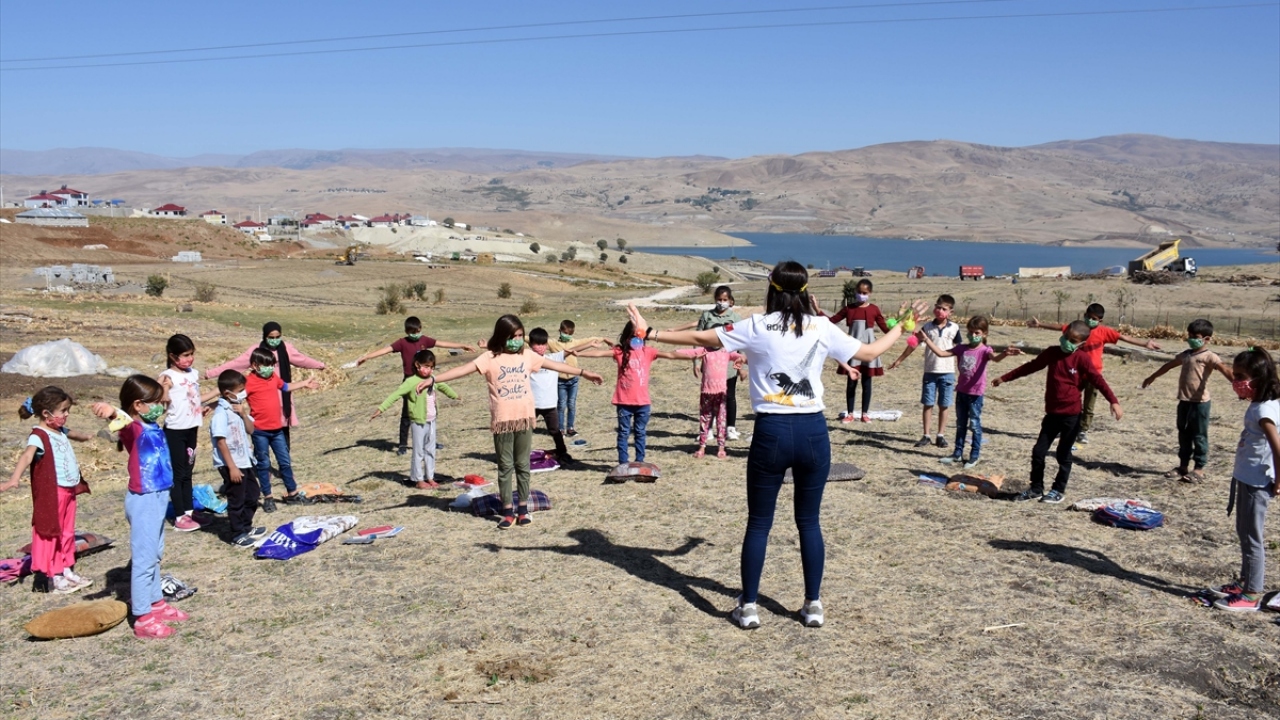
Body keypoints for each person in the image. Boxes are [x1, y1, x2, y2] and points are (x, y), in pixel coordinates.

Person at [629, 261, 927, 629]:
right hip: (814, 434)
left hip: (771, 431)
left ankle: (749, 607)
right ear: (804, 291)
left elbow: (703, 339)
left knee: (758, 524)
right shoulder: (821, 326)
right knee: (809, 522)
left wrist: (651, 331)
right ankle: (813, 605)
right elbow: (868, 354)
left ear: (771, 288)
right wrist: (903, 327)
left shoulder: (756, 326)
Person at [421, 315, 603, 529]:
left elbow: (553, 365)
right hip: (503, 422)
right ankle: (508, 511)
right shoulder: (489, 357)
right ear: (502, 336)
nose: (517, 340)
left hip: (524, 420)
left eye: (519, 335)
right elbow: (462, 370)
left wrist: (584, 373)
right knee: (505, 467)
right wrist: (433, 379)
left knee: (523, 466)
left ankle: (523, 509)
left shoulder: (527, 355)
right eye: (512, 336)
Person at [90, 376, 189, 639]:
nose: (161, 405)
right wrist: (111, 411)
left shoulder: (152, 424)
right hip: (144, 499)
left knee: (154, 554)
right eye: (155, 402)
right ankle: (143, 617)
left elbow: (165, 399)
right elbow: (120, 420)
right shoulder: (133, 428)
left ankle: (156, 602)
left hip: (158, 496)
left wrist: (164, 387)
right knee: (144, 560)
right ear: (138, 405)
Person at [992, 320, 1123, 504]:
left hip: (1071, 416)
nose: (1067, 341)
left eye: (1072, 340)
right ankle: (1036, 488)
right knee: (1038, 451)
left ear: (1081, 343)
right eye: (1066, 337)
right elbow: (1030, 366)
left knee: (1063, 454)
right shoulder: (1052, 353)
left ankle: (1058, 490)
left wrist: (1113, 401)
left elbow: (1098, 380)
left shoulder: (1082, 359)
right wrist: (1004, 378)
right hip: (1052, 414)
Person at [1206, 348, 1279, 611]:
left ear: (1258, 379)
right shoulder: (1260, 405)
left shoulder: (1264, 412)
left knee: (1251, 536)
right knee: (1244, 532)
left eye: (1240, 376)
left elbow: (1277, 446)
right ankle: (1245, 581)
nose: (1235, 381)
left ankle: (1251, 593)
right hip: (1246, 478)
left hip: (1256, 482)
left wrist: (1279, 479)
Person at [1, 388, 95, 594]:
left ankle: (66, 568)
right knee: (51, 532)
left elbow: (75, 434)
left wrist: (89, 436)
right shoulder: (38, 435)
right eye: (63, 411)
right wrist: (13, 480)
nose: (66, 414)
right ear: (46, 414)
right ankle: (54, 575)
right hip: (53, 494)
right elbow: (26, 457)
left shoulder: (60, 430)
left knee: (67, 532)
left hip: (69, 491)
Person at [1028, 303, 1160, 444]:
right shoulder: (1077, 329)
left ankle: (1083, 430)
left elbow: (1124, 338)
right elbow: (1060, 327)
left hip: (1092, 374)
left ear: (1100, 320)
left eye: (1093, 318)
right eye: (1088, 316)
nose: (1089, 320)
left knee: (1089, 405)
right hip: (1075, 373)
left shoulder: (1104, 332)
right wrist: (1040, 324)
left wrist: (1144, 343)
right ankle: (1066, 426)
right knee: (1069, 400)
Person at [354, 316, 474, 455]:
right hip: (410, 381)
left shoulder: (425, 340)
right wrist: (367, 357)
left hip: (426, 379)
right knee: (407, 413)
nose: (415, 334)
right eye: (412, 332)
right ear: (406, 331)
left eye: (417, 331)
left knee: (429, 411)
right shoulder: (402, 343)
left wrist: (461, 346)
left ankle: (430, 441)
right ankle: (403, 445)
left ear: (420, 329)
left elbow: (441, 343)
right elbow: (385, 350)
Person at [914, 315, 1021, 469]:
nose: (973, 335)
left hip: (975, 394)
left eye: (977, 332)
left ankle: (974, 455)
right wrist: (926, 339)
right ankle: (957, 454)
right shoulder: (961, 348)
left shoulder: (985, 350)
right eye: (971, 332)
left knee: (975, 425)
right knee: (961, 424)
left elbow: (995, 358)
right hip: (962, 392)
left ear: (984, 334)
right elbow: (941, 353)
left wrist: (1005, 353)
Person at [574, 321, 686, 466]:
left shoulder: (649, 352)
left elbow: (671, 355)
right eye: (632, 336)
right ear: (627, 336)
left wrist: (695, 355)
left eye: (638, 336)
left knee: (640, 433)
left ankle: (640, 461)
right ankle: (623, 463)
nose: (636, 339)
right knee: (623, 433)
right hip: (624, 402)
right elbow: (599, 353)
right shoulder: (620, 352)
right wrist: (579, 354)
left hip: (643, 403)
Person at [1141, 319, 1235, 483]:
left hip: (1200, 403)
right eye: (1190, 335)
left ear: (1207, 339)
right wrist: (1152, 377)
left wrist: (1238, 384)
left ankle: (1199, 469)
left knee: (1199, 435)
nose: (1191, 339)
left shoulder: (1210, 357)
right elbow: (1169, 365)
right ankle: (1183, 466)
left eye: (1195, 336)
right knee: (1183, 434)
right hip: (1184, 401)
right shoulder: (1186, 355)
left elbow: (1225, 370)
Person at [206, 321, 326, 448]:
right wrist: (211, 373)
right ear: (264, 336)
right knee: (261, 435)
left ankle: (284, 460)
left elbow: (302, 360)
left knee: (283, 431)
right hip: (261, 397)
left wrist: (320, 365)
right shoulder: (256, 351)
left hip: (281, 396)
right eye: (271, 337)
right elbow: (236, 364)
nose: (275, 340)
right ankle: (263, 463)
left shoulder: (286, 348)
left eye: (277, 337)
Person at [245, 348, 320, 513]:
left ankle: (292, 494)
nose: (270, 369)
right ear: (255, 365)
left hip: (277, 430)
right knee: (264, 465)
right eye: (266, 365)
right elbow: (234, 397)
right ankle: (268, 497)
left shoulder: (273, 377)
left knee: (284, 462)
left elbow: (285, 387)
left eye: (272, 365)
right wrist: (214, 406)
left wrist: (304, 384)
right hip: (259, 432)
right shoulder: (248, 382)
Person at [668, 285, 746, 439]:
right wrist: (696, 363)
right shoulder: (707, 316)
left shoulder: (736, 319)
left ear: (730, 301)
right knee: (709, 397)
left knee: (729, 396)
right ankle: (708, 429)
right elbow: (697, 339)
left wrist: (740, 366)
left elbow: (741, 343)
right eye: (719, 299)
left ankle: (730, 428)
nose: (721, 302)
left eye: (725, 300)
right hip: (710, 364)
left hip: (729, 365)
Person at [372, 349, 458, 489]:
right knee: (418, 451)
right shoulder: (411, 381)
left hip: (432, 420)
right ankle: (418, 479)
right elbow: (395, 395)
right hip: (418, 422)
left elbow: (443, 386)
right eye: (425, 366)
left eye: (431, 367)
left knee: (430, 450)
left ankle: (430, 477)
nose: (428, 370)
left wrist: (455, 396)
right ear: (417, 365)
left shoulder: (432, 380)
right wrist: (380, 409)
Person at [159, 334, 219, 532]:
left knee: (188, 471)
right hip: (175, 431)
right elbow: (161, 397)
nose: (189, 359)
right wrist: (164, 390)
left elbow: (197, 398)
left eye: (191, 354)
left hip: (191, 428)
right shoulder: (167, 376)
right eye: (185, 355)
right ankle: (179, 516)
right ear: (173, 356)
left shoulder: (193, 374)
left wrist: (219, 391)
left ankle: (189, 511)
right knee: (178, 474)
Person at [888, 294, 962, 449]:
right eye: (938, 307)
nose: (939, 311)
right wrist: (899, 360)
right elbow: (912, 345)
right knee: (928, 404)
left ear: (951, 312)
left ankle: (940, 435)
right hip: (930, 372)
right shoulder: (927, 328)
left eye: (944, 309)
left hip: (947, 372)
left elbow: (959, 351)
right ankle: (926, 435)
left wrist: (961, 371)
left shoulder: (955, 328)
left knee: (944, 405)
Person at [210, 370, 263, 547]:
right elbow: (221, 442)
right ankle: (236, 533)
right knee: (237, 499)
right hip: (231, 463)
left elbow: (251, 430)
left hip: (244, 460)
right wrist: (231, 467)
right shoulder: (220, 414)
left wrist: (243, 413)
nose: (243, 393)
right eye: (240, 390)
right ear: (227, 393)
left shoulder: (237, 409)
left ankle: (246, 526)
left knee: (253, 493)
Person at [826, 278, 889, 423]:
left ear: (870, 293)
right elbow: (832, 320)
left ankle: (865, 414)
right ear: (855, 292)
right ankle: (850, 413)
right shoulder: (849, 309)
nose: (862, 295)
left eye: (864, 292)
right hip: (852, 349)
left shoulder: (874, 309)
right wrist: (817, 310)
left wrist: (901, 324)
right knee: (851, 382)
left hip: (869, 350)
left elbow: (886, 329)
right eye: (859, 292)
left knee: (867, 383)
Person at [676, 345, 746, 458]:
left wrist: (741, 365)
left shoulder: (727, 351)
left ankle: (721, 448)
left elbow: (742, 357)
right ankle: (702, 446)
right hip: (706, 392)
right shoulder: (704, 350)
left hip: (721, 393)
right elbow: (690, 352)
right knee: (704, 419)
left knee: (721, 420)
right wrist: (675, 352)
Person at [547, 319, 610, 437]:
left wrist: (605, 339)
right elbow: (533, 339)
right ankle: (560, 429)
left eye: (570, 334)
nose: (567, 336)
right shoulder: (552, 343)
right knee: (561, 405)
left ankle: (570, 428)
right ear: (559, 331)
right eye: (565, 333)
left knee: (571, 404)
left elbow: (590, 339)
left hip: (573, 380)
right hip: (560, 381)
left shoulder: (575, 343)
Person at [528, 328, 575, 465]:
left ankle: (562, 452)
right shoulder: (527, 360)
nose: (541, 347)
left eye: (543, 344)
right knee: (525, 431)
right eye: (537, 344)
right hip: (532, 405)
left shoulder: (552, 359)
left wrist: (591, 343)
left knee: (555, 430)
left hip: (549, 405)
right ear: (530, 345)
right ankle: (518, 453)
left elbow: (571, 350)